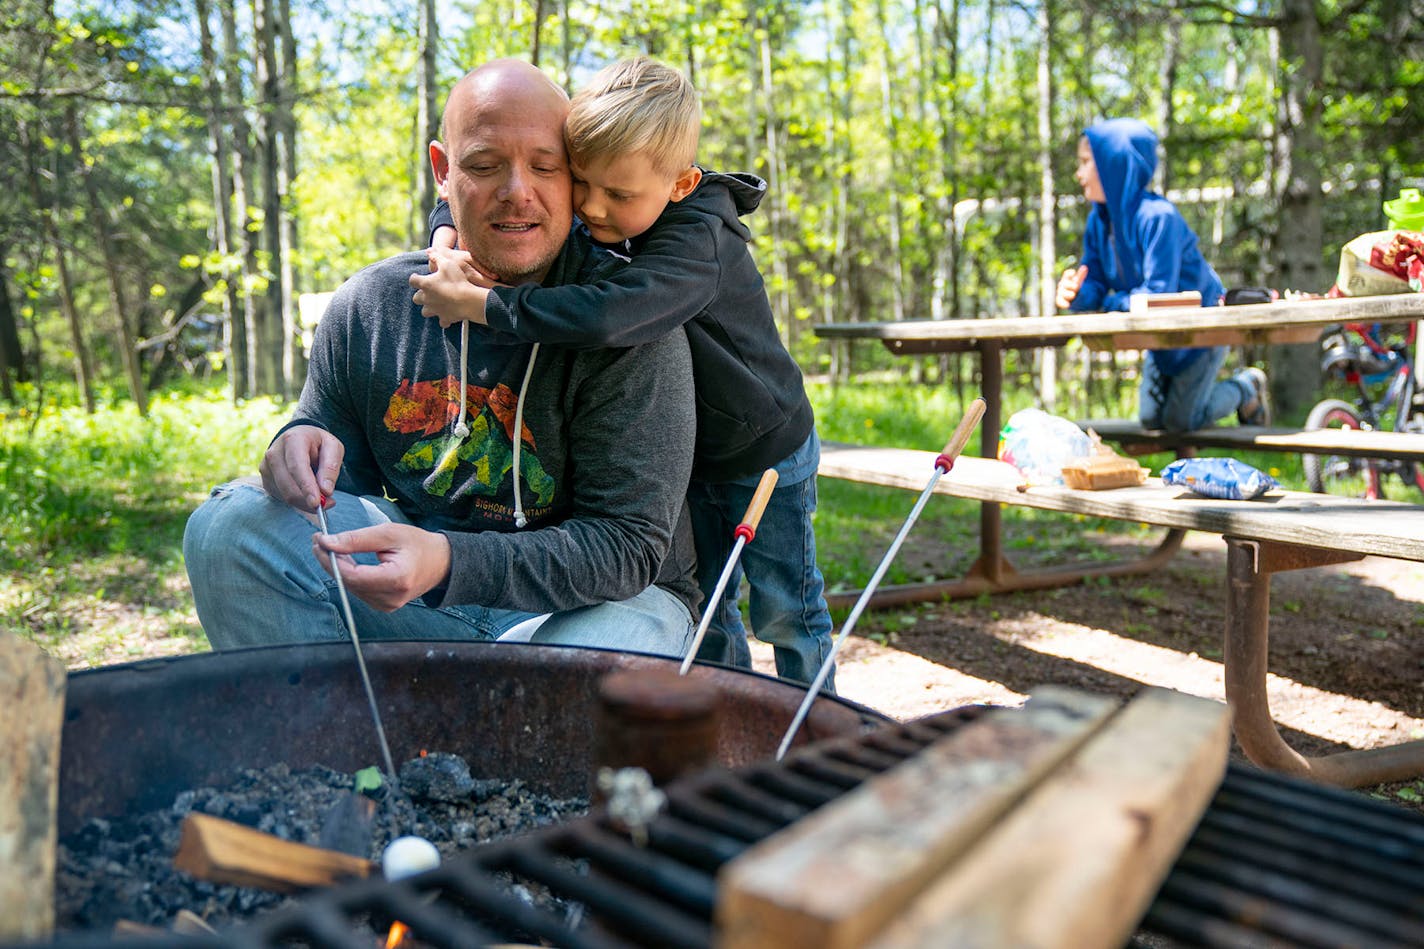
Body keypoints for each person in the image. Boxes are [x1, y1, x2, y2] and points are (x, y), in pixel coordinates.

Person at [182, 59, 700, 656]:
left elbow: (626, 547)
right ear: (443, 171)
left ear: (575, 176)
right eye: (483, 165)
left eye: (545, 166)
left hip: (598, 609)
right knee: (232, 526)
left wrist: (451, 561)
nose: (517, 191)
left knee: (586, 662)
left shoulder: (625, 318)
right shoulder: (370, 306)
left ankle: (478, 724)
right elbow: (332, 471)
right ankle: (331, 741)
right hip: (423, 600)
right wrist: (296, 444)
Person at [409, 57, 835, 690]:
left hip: (763, 450)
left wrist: (485, 305)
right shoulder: (620, 206)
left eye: (617, 195)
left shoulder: (699, 243)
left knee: (784, 607)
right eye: (583, 185)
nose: (591, 210)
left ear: (681, 184)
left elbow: (612, 315)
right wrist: (447, 230)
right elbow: (492, 198)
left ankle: (817, 726)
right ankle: (719, 724)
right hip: (689, 456)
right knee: (712, 608)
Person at [1055, 117, 1270, 432]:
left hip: (1204, 329)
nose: (1078, 173)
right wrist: (1076, 294)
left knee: (1181, 421)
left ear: (1115, 164)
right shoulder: (1098, 222)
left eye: (1086, 162)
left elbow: (1158, 295)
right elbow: (1096, 284)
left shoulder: (1159, 217)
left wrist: (1110, 302)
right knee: (1151, 422)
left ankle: (1245, 388)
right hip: (1161, 337)